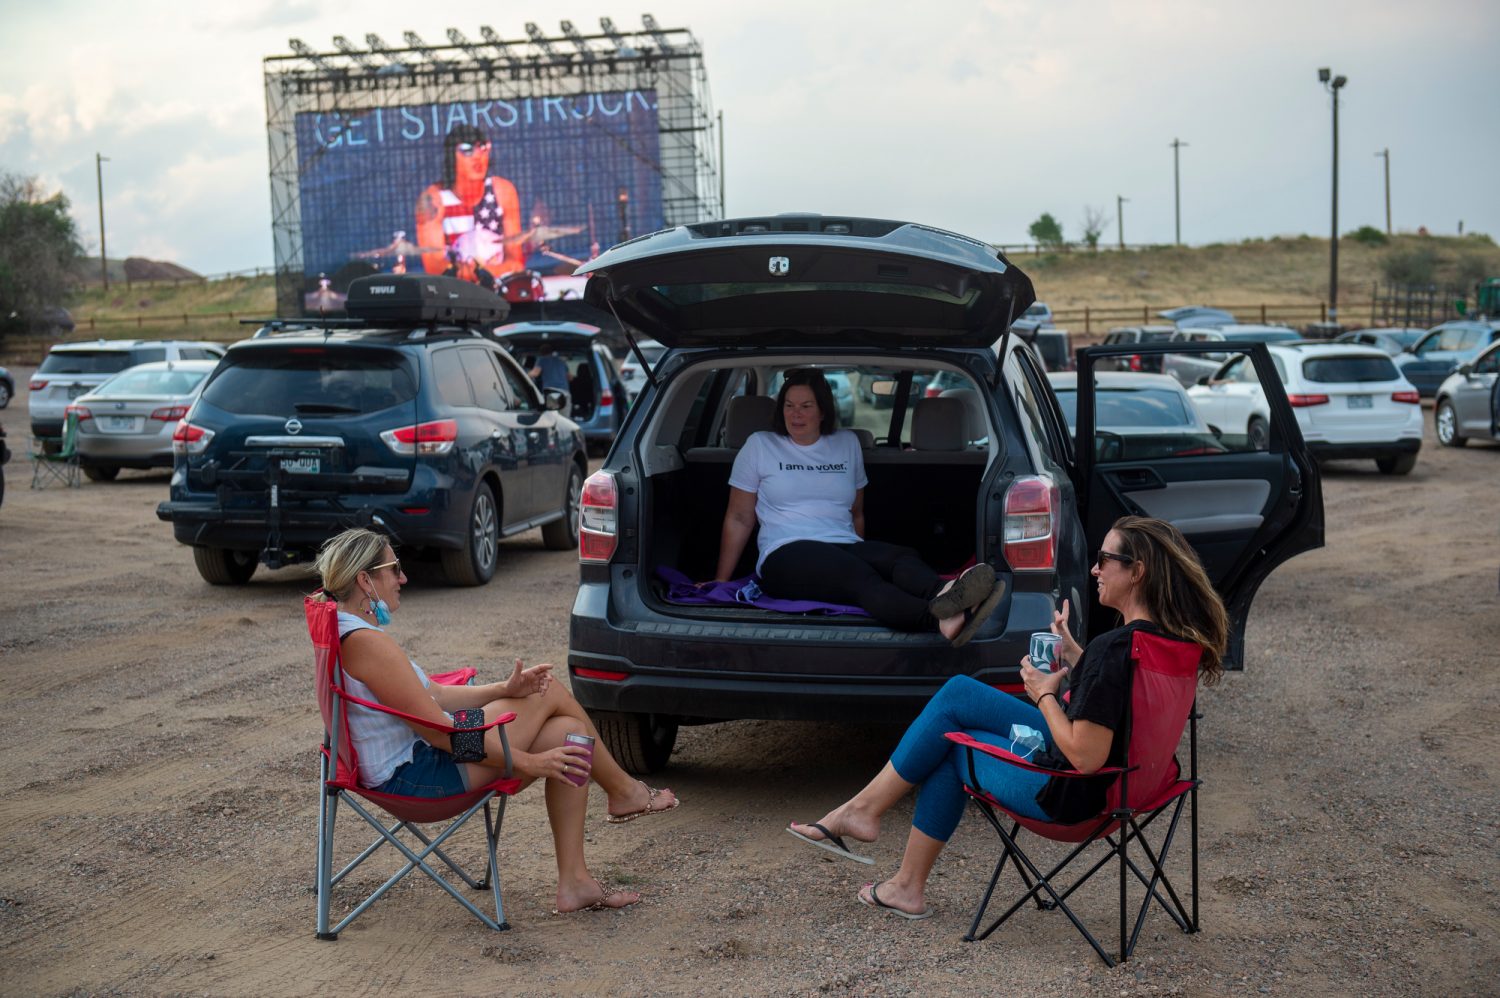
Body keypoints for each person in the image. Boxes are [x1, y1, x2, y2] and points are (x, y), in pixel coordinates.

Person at [788, 516, 1228, 919]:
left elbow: (1086, 756)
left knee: (953, 742)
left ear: (1137, 572)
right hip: (1136, 788)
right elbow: (1121, 703)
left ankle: (888, 855)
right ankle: (870, 827)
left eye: (1104, 560)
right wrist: (1078, 656)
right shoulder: (1170, 643)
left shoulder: (1113, 650)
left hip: (1077, 798)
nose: (1095, 569)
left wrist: (1044, 695)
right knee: (959, 699)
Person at [312, 527, 678, 914]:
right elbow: (439, 732)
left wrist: (504, 687)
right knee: (548, 690)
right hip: (420, 777)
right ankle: (625, 792)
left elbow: (434, 696)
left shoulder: (345, 629)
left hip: (422, 758)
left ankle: (575, 883)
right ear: (365, 580)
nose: (403, 578)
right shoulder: (369, 645)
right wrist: (527, 762)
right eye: (394, 568)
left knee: (568, 734)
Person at [713, 368, 1004, 646]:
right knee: (857, 576)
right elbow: (739, 518)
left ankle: (946, 593)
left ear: (823, 410)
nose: (795, 414)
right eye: (788, 405)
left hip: (842, 542)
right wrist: (720, 581)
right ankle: (937, 621)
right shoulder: (760, 445)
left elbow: (856, 513)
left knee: (899, 557)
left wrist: (867, 554)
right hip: (784, 551)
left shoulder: (846, 443)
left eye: (805, 405)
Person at [415, 125, 531, 286]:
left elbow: (515, 262)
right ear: (451, 155)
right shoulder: (433, 199)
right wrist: (462, 273)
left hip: (498, 289)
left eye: (483, 148)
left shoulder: (503, 191)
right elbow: (433, 267)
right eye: (467, 150)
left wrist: (480, 271)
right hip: (455, 294)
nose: (478, 156)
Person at [529, 343, 572, 410]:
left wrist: (523, 373)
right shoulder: (562, 361)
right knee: (565, 418)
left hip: (552, 394)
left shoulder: (542, 360)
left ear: (541, 352)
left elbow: (535, 374)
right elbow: (570, 377)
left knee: (552, 418)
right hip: (565, 392)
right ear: (552, 351)